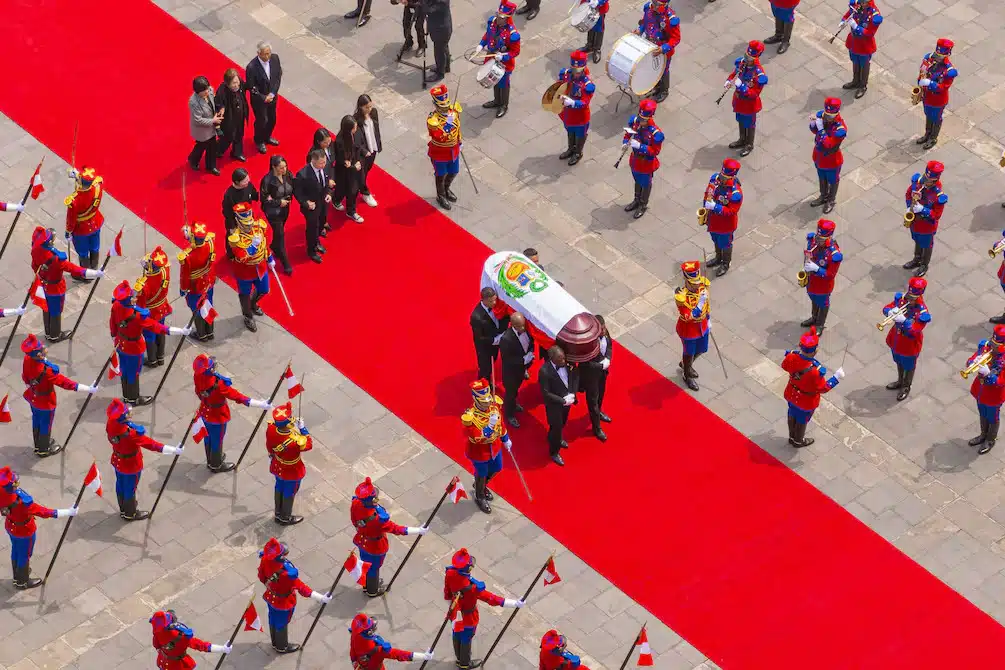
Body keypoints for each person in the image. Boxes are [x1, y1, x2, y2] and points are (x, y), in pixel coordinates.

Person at [110, 280, 191, 406]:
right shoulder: (137, 316)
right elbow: (157, 327)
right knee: (133, 373)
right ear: (129, 300)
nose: (135, 297)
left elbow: (113, 324)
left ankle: (126, 395)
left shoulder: (116, 306)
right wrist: (180, 331)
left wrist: (114, 337)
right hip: (134, 348)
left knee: (125, 370)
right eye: (132, 296)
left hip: (120, 343)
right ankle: (133, 399)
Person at [444, 548, 523, 668]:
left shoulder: (450, 573)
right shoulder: (473, 588)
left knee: (456, 633)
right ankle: (464, 663)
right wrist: (514, 603)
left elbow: (447, 592)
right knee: (466, 638)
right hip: (468, 616)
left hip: (455, 612)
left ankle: (459, 658)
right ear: (468, 568)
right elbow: (492, 599)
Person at [0, 467, 78, 589]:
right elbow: (45, 512)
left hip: (10, 527)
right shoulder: (24, 502)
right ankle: (22, 581)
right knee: (25, 555)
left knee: (15, 550)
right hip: (24, 531)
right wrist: (68, 512)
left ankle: (17, 575)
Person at [106, 398, 182, 521]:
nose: (129, 414)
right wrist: (173, 450)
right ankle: (130, 513)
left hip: (117, 460)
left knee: (120, 484)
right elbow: (152, 444)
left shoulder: (111, 424)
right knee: (130, 488)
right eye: (126, 413)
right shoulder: (131, 434)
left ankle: (123, 508)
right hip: (131, 465)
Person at [193, 353, 272, 473]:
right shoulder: (219, 385)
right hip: (218, 415)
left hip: (205, 411)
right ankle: (216, 464)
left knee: (207, 437)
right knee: (217, 440)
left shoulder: (197, 376)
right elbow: (238, 397)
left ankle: (210, 459)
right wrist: (260, 404)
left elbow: (198, 393)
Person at [21, 333, 97, 456]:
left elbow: (25, 376)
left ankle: (38, 443)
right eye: (42, 347)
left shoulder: (28, 359)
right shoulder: (47, 371)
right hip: (46, 401)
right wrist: (88, 389)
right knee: (46, 424)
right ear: (39, 354)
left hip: (33, 396)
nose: (45, 347)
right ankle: (43, 449)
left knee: (36, 420)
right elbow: (66, 383)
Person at [351, 476, 427, 594]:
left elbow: (354, 521)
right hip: (376, 546)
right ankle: (372, 590)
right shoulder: (378, 520)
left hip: (362, 540)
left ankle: (366, 585)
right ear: (373, 500)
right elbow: (397, 529)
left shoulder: (356, 503)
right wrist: (418, 530)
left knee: (365, 563)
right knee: (373, 568)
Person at [257, 538, 331, 654]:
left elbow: (261, 576)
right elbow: (301, 588)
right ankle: (281, 646)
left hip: (271, 596)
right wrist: (320, 597)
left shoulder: (265, 560)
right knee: (281, 623)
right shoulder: (287, 574)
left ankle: (275, 642)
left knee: (272, 618)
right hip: (283, 601)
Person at [30, 226, 101, 342]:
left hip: (42, 285)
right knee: (56, 312)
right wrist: (95, 273)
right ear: (50, 242)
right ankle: (55, 335)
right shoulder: (57, 259)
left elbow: (34, 267)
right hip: (55, 288)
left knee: (46, 308)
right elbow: (75, 269)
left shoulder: (35, 251)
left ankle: (48, 332)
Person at [782, 327, 844, 447]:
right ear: (815, 351)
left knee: (791, 413)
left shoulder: (791, 357)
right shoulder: (815, 371)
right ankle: (798, 441)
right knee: (802, 420)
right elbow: (823, 388)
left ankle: (791, 436)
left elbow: (784, 366)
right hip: (806, 401)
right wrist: (836, 378)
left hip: (791, 393)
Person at [462, 379, 514, 513]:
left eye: (488, 400)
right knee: (481, 473)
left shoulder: (494, 407)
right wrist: (489, 427)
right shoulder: (470, 416)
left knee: (497, 467)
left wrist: (505, 438)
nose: (488, 404)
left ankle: (482, 485)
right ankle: (480, 495)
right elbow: (476, 437)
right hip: (479, 452)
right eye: (484, 402)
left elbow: (501, 424)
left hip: (495, 447)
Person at [881, 277, 931, 402]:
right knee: (898, 361)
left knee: (908, 366)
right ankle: (899, 381)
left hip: (909, 345)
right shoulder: (903, 299)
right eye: (909, 295)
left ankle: (906, 386)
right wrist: (890, 312)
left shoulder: (922, 312)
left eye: (913, 298)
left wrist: (904, 321)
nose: (909, 300)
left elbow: (914, 331)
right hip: (896, 339)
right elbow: (886, 307)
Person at [229, 202, 274, 332]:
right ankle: (247, 316)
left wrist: (269, 258)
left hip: (260, 267)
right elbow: (241, 257)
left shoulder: (259, 226)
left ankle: (253, 303)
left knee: (264, 290)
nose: (249, 226)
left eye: (250, 222)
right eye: (245, 224)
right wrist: (252, 246)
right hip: (245, 272)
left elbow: (265, 245)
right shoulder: (235, 238)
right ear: (238, 221)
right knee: (244, 295)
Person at [266, 402, 312, 525]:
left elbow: (269, 445)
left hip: (277, 465)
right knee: (289, 491)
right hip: (292, 469)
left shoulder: (271, 428)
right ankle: (285, 517)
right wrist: (303, 429)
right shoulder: (294, 441)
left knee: (279, 487)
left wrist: (272, 454)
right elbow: (308, 445)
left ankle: (278, 512)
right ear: (287, 424)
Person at [474, 1, 521, 119]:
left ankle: (504, 105)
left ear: (508, 18)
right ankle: (496, 101)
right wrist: (481, 44)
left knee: (503, 83)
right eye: (498, 15)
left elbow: (515, 52)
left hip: (504, 63)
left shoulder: (512, 34)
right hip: (491, 57)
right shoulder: (492, 22)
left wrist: (503, 56)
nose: (498, 19)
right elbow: (487, 35)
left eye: (502, 18)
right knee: (494, 80)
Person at [903, 160, 947, 278]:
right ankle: (916, 259)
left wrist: (922, 209)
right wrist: (909, 207)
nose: (925, 182)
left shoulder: (938, 196)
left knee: (927, 245)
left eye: (928, 181)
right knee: (917, 240)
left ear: (935, 180)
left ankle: (924, 265)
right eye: (925, 178)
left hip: (927, 226)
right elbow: (908, 193)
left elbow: (936, 214)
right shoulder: (918, 182)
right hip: (914, 222)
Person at [622, 99, 663, 219]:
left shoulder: (656, 134)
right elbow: (628, 134)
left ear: (650, 118)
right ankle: (636, 200)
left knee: (645, 183)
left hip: (646, 163)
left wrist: (641, 146)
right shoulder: (635, 122)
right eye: (640, 118)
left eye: (644, 120)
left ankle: (643, 205)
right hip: (635, 160)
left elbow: (655, 151)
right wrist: (625, 142)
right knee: (637, 180)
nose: (641, 122)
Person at [967, 326, 1005, 455]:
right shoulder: (986, 347)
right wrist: (974, 361)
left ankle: (990, 439)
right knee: (982, 413)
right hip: (981, 390)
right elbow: (970, 361)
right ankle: (983, 435)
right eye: (993, 343)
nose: (992, 347)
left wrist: (989, 374)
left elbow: (1001, 382)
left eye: (996, 345)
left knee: (992, 417)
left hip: (994, 395)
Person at [725, 41, 767, 157]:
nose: (747, 59)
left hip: (749, 104)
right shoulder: (742, 63)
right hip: (739, 100)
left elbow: (754, 93)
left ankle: (749, 144)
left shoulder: (758, 74)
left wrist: (742, 86)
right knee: (740, 120)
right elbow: (735, 73)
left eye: (750, 57)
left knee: (749, 124)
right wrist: (729, 81)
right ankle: (742, 139)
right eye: (747, 56)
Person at [178, 221, 218, 342]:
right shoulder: (210, 242)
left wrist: (183, 289)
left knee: (197, 310)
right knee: (208, 305)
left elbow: (185, 276)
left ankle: (202, 335)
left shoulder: (187, 256)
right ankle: (210, 332)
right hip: (208, 280)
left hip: (195, 286)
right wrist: (190, 237)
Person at [801, 219, 842, 334]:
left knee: (823, 303)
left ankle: (820, 324)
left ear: (828, 238)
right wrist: (806, 266)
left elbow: (830, 275)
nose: (818, 241)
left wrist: (817, 269)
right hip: (811, 281)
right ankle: (814, 318)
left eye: (821, 239)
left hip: (823, 286)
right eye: (818, 238)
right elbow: (808, 254)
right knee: (813, 299)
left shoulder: (834, 254)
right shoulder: (813, 241)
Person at [133, 246, 172, 368]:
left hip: (150, 313)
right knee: (161, 330)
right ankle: (160, 357)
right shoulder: (165, 270)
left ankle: (152, 360)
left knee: (150, 336)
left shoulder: (144, 285)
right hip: (162, 307)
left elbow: (140, 304)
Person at [702, 158, 742, 276]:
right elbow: (708, 193)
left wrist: (715, 207)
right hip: (713, 220)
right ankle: (718, 258)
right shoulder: (715, 179)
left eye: (725, 177)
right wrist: (705, 206)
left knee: (725, 243)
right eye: (722, 174)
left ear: (732, 177)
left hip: (725, 225)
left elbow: (731, 211)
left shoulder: (735, 194)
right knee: (715, 239)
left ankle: (725, 263)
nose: (721, 178)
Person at [634, 0, 680, 103]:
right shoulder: (648, 9)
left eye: (657, 4)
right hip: (649, 45)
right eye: (653, 1)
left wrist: (663, 48)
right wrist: (640, 30)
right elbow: (645, 22)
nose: (653, 6)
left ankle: (663, 91)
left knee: (663, 70)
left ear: (665, 5)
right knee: (652, 68)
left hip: (662, 51)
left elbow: (676, 38)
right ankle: (654, 85)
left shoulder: (670, 19)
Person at [150, 610, 231, 668]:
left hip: (163, 662)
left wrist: (168, 652)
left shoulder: (157, 632)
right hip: (179, 666)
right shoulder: (181, 636)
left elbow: (156, 645)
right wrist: (222, 649)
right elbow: (202, 646)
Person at [555, 51, 595, 166]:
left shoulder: (588, 85)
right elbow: (559, 86)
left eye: (578, 71)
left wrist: (572, 102)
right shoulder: (566, 74)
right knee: (570, 131)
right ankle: (570, 149)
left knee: (580, 134)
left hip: (580, 117)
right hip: (567, 113)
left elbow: (584, 102)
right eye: (574, 70)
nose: (575, 73)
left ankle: (578, 153)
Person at [539, 346, 577, 466]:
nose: (563, 361)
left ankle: (555, 437)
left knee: (562, 423)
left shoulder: (568, 364)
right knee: (556, 427)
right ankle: (554, 452)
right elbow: (546, 393)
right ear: (552, 359)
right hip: (554, 405)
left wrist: (573, 393)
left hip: (568, 400)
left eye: (563, 358)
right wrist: (562, 401)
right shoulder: (544, 371)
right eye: (560, 360)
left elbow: (574, 378)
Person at [916, 39, 956, 150]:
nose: (937, 57)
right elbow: (922, 72)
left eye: (940, 55)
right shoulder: (929, 58)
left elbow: (943, 87)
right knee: (928, 115)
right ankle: (927, 134)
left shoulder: (949, 71)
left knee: (936, 118)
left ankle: (933, 138)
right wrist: (920, 82)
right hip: (927, 96)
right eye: (937, 54)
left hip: (938, 100)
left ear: (947, 54)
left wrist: (930, 83)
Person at [675, 261, 710, 392]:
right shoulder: (681, 296)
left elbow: (708, 304)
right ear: (687, 281)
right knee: (689, 353)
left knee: (702, 349)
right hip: (688, 330)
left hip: (703, 325)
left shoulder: (703, 286)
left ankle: (685, 365)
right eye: (693, 283)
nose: (697, 286)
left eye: (697, 282)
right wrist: (699, 305)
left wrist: (708, 318)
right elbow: (687, 316)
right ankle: (687, 374)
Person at [427, 84, 462, 210]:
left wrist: (460, 141)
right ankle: (440, 195)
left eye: (446, 105)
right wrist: (447, 126)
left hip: (454, 149)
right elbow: (437, 136)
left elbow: (458, 127)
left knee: (454, 172)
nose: (445, 108)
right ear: (436, 105)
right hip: (440, 152)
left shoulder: (453, 111)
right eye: (442, 106)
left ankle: (447, 189)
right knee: (441, 175)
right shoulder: (433, 119)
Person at [808, 97, 846, 215]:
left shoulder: (840, 128)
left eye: (830, 115)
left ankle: (831, 200)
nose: (827, 118)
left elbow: (828, 144)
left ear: (837, 113)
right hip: (819, 156)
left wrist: (821, 130)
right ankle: (823, 196)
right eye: (827, 114)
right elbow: (814, 130)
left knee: (832, 180)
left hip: (831, 160)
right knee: (822, 177)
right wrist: (814, 123)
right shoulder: (824, 117)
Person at [294, 149, 332, 265]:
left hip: (322, 202)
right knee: (312, 228)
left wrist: (329, 194)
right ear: (313, 161)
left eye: (324, 162)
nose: (323, 165)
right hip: (311, 206)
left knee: (321, 222)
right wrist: (306, 202)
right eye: (321, 163)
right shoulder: (303, 174)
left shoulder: (324, 167)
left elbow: (326, 183)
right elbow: (298, 192)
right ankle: (311, 250)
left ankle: (317, 242)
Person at [349, 613, 433, 666]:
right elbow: (399, 654)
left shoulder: (355, 635)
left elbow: (352, 651)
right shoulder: (378, 649)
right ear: (370, 632)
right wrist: (423, 656)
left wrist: (354, 661)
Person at [63, 165, 104, 273]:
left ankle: (86, 274)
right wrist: (77, 175)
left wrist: (68, 232)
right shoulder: (98, 187)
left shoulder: (74, 201)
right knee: (95, 247)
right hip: (96, 222)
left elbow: (71, 220)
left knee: (83, 252)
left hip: (81, 230)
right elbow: (92, 182)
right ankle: (94, 268)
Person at [839, 0, 882, 99]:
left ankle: (863, 85)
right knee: (855, 61)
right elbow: (849, 14)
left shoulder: (874, 15)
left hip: (864, 44)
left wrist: (856, 27)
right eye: (862, 2)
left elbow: (870, 33)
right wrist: (843, 21)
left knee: (864, 64)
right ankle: (855, 81)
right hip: (854, 41)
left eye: (864, 3)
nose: (862, 4)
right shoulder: (857, 5)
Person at [260, 155, 295, 275]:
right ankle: (286, 263)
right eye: (281, 168)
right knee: (280, 235)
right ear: (274, 167)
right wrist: (279, 202)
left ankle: (274, 246)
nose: (284, 170)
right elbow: (265, 199)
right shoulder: (267, 181)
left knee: (278, 232)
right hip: (273, 212)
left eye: (285, 167)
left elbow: (294, 187)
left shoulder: (288, 175)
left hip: (285, 210)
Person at [246, 42, 283, 154]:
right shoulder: (252, 67)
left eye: (269, 53)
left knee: (272, 119)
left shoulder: (275, 58)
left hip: (272, 97)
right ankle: (259, 140)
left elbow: (278, 77)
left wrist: (272, 93)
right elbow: (251, 86)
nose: (267, 56)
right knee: (262, 120)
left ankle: (267, 136)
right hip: (259, 100)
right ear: (259, 53)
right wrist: (263, 97)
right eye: (265, 54)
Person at [499, 312, 534, 427]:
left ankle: (513, 403)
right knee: (510, 393)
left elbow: (531, 343)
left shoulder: (527, 331)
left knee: (516, 390)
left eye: (523, 325)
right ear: (513, 325)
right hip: (511, 373)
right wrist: (523, 360)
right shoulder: (506, 339)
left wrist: (530, 353)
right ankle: (510, 415)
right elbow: (507, 359)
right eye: (519, 326)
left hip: (521, 370)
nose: (523, 328)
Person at [333, 115, 366, 223]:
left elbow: (359, 146)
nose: (356, 130)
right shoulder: (339, 141)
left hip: (355, 168)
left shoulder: (355, 134)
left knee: (353, 190)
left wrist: (358, 162)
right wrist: (352, 166)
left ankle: (351, 211)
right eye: (354, 128)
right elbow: (341, 160)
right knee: (341, 189)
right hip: (344, 171)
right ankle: (336, 200)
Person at [470, 287, 508, 380]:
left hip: (496, 340)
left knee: (493, 361)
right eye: (491, 301)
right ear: (483, 300)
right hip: (485, 348)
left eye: (495, 300)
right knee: (485, 369)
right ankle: (484, 387)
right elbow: (479, 338)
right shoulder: (477, 317)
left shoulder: (497, 305)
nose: (494, 303)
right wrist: (495, 340)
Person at [188, 76, 223, 176]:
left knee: (212, 146)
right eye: (204, 91)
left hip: (211, 127)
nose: (207, 92)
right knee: (201, 146)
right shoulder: (193, 102)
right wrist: (213, 121)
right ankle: (193, 160)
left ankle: (211, 166)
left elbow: (214, 103)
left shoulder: (210, 90)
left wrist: (219, 110)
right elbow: (198, 120)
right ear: (197, 92)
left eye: (207, 89)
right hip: (202, 130)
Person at [222, 167, 259, 259]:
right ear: (237, 182)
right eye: (245, 180)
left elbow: (255, 195)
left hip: (248, 218)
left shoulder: (249, 185)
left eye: (247, 178)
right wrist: (232, 227)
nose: (248, 180)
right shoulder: (229, 194)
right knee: (233, 238)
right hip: (235, 221)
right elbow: (227, 212)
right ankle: (231, 254)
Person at [215, 68, 249, 162]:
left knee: (239, 134)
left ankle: (237, 152)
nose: (236, 85)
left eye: (237, 82)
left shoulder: (240, 83)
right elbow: (218, 103)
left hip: (240, 115)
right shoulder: (222, 90)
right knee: (227, 137)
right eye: (233, 83)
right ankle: (218, 150)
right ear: (227, 83)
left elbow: (246, 86)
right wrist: (222, 107)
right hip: (228, 118)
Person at [354, 95, 382, 208]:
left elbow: (376, 129)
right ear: (360, 107)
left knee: (366, 171)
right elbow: (356, 140)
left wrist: (378, 144)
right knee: (362, 174)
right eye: (366, 107)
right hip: (362, 153)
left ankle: (360, 187)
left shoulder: (374, 112)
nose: (369, 109)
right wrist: (364, 151)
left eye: (370, 106)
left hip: (373, 149)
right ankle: (365, 192)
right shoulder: (356, 119)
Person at [425, 0, 452, 83]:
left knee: (439, 51)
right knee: (444, 48)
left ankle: (440, 73)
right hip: (441, 28)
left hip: (441, 30)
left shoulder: (441, 2)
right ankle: (446, 67)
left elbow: (427, 9)